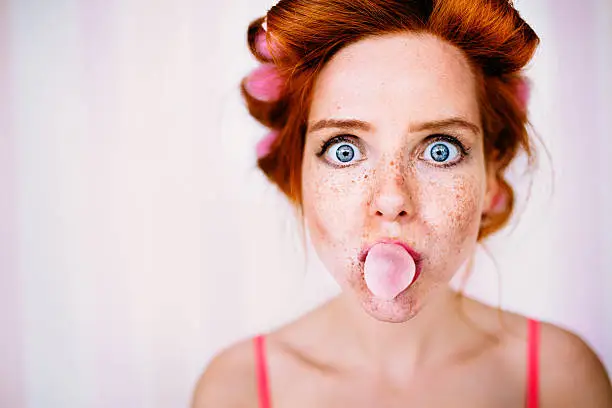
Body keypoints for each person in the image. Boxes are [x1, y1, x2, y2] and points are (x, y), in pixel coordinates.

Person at [193, 0, 612, 406]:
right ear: (297, 173)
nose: (392, 199)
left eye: (441, 149)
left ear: (490, 179)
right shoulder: (236, 390)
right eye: (343, 149)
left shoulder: (564, 378)